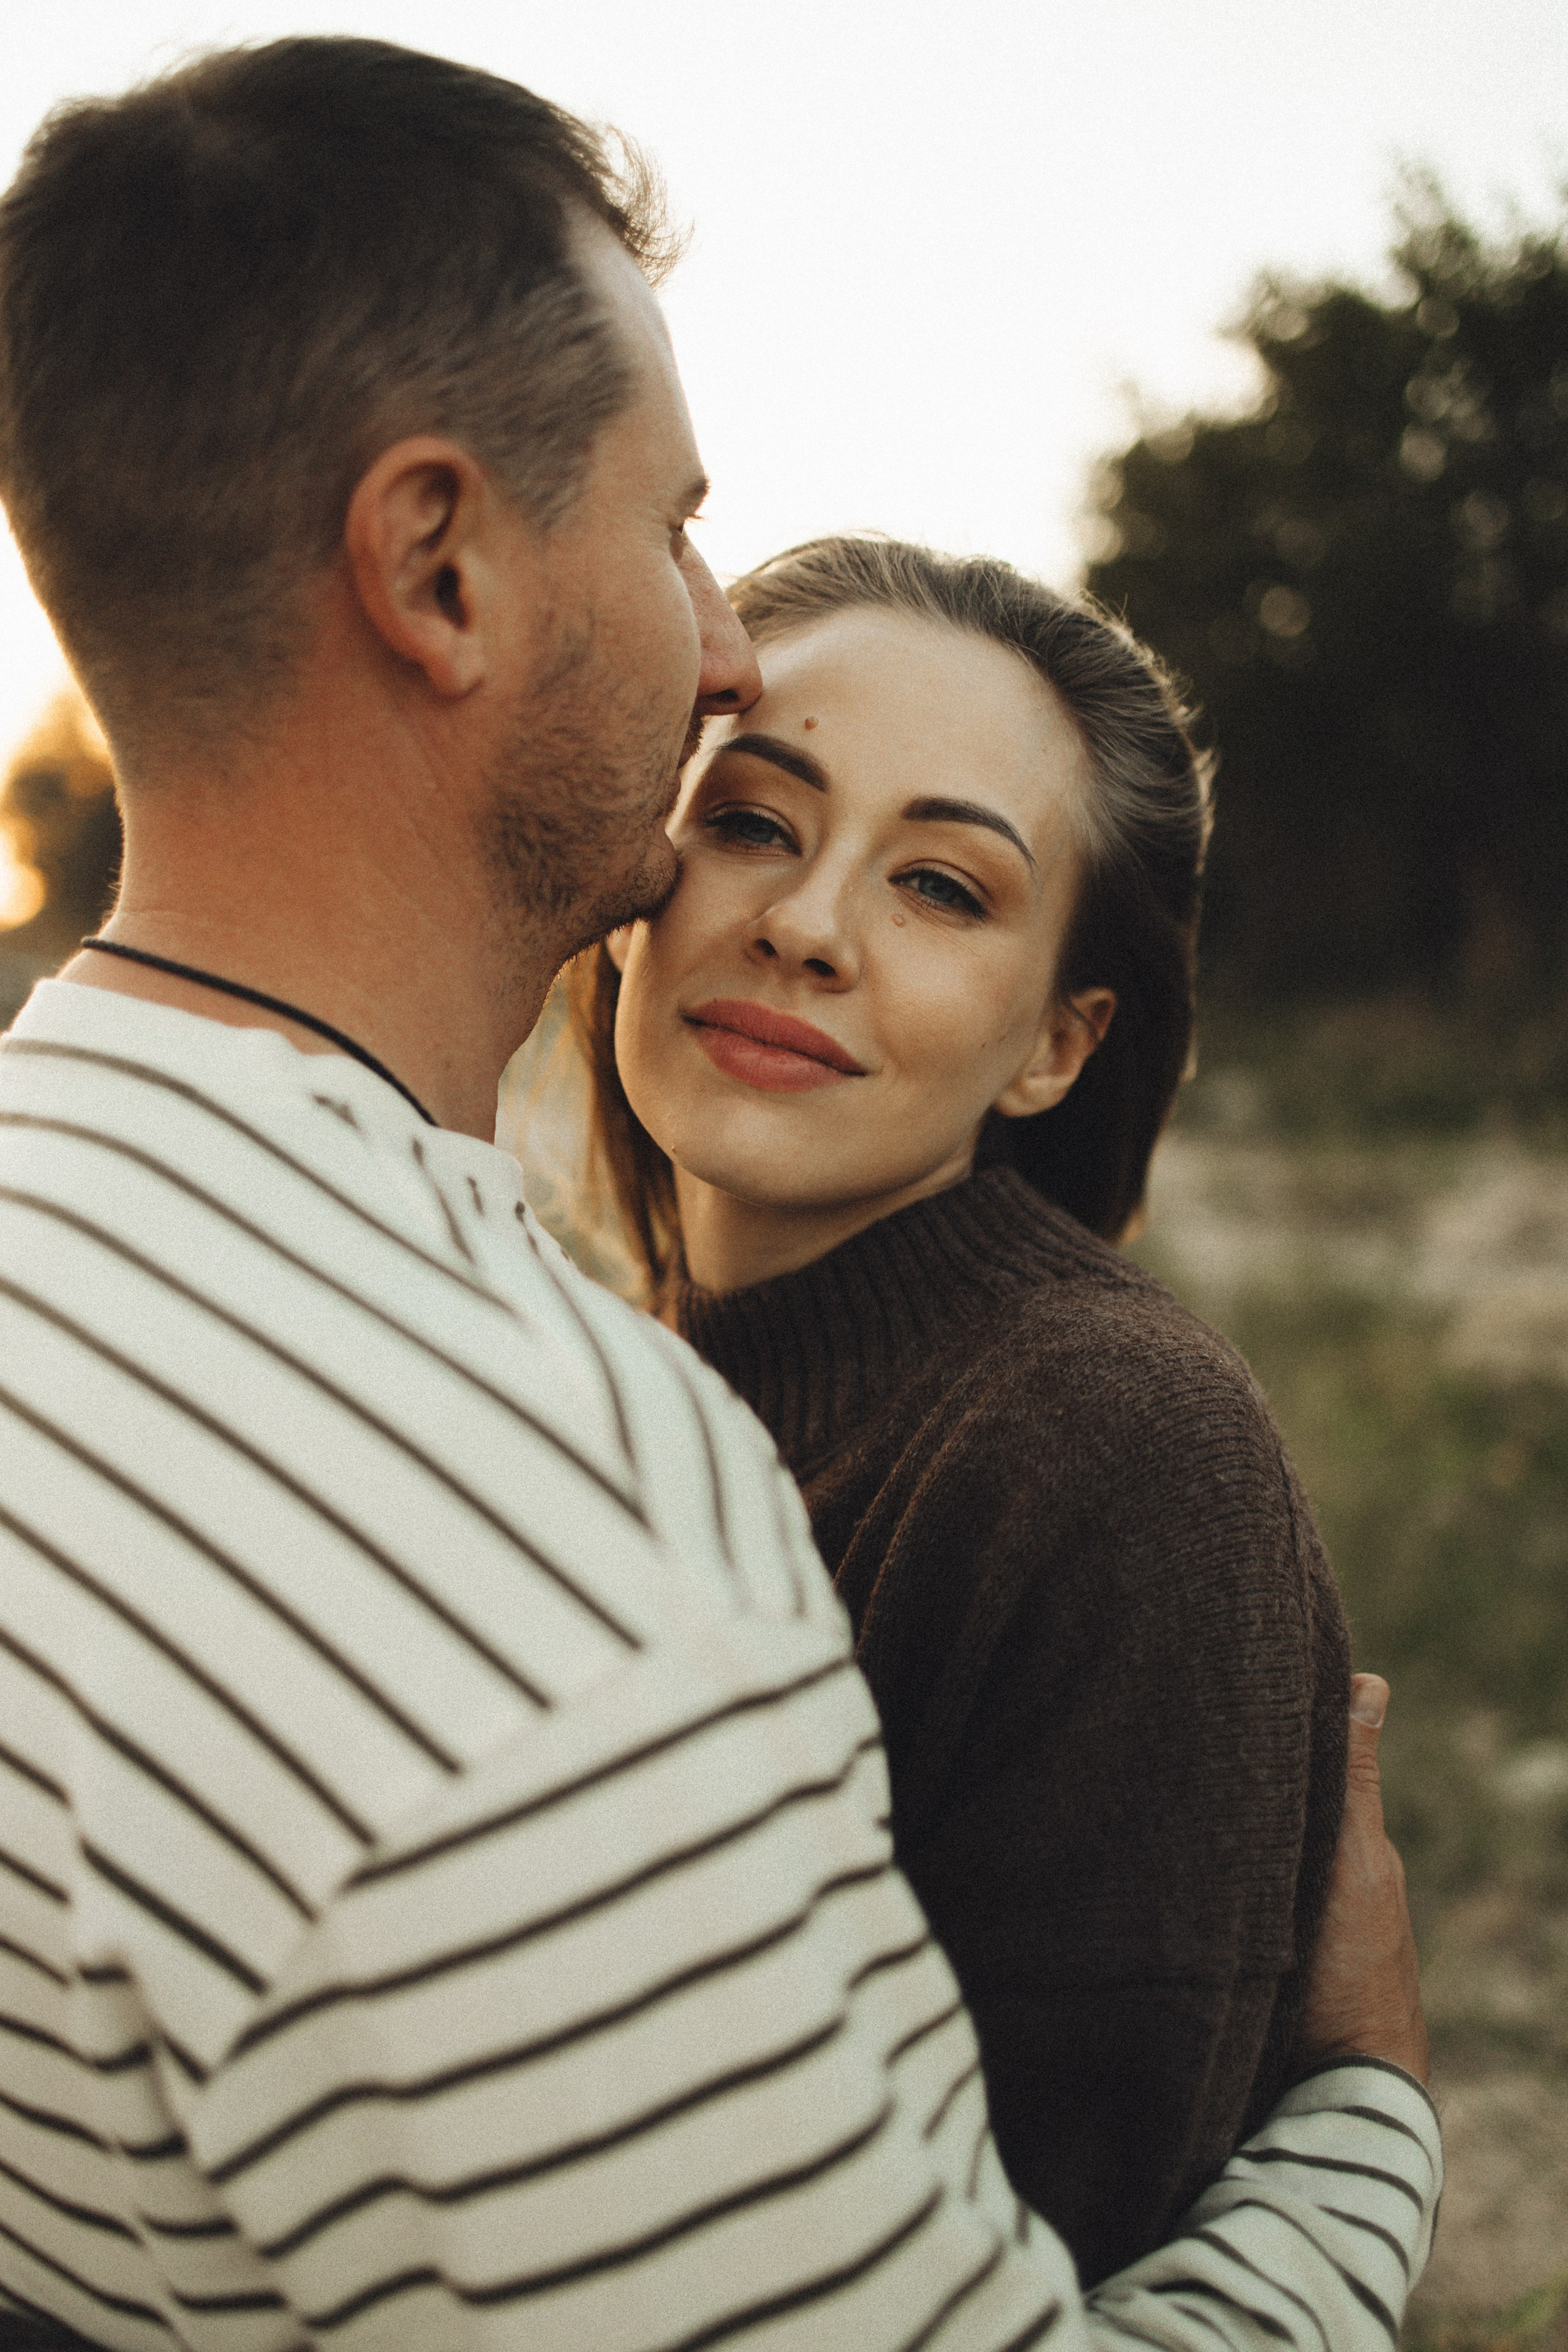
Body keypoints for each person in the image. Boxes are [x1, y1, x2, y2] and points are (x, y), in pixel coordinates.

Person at [0, 36, 1437, 2352]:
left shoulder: (103, 1232)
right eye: (677, 530)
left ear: (1072, 1031)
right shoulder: (551, 1531)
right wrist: (1371, 2108)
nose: (723, 644)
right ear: (442, 567)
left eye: (949, 885)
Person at [570, 536, 1347, 2282]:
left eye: (941, 887)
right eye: (757, 822)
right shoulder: (581, 1376)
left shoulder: (1116, 1444)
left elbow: (1063, 2235)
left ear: (1058, 1044)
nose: (805, 923)